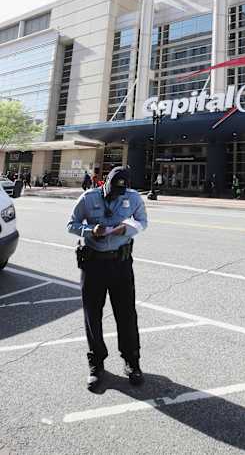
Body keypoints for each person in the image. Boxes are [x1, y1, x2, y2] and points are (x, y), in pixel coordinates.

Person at [67, 167, 148, 391]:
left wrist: (126, 229)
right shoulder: (88, 197)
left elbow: (142, 221)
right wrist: (91, 230)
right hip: (93, 264)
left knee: (126, 313)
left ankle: (132, 362)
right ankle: (97, 363)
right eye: (113, 190)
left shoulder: (132, 198)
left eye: (121, 191)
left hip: (121, 263)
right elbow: (71, 225)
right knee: (93, 314)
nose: (116, 195)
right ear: (105, 183)